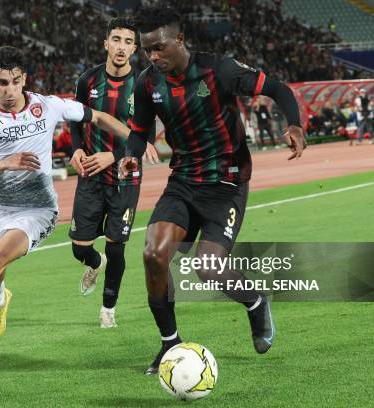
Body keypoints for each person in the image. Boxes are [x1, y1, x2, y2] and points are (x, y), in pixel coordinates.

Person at [118, 5, 306, 374]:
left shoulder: (219, 69)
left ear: (180, 40)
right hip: (184, 180)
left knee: (207, 266)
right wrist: (131, 156)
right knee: (154, 255)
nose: (153, 57)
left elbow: (277, 88)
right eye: (147, 50)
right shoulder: (147, 83)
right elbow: (139, 130)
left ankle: (254, 301)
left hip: (227, 182)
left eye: (159, 47)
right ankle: (170, 346)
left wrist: (295, 125)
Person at [0, 45, 133, 374]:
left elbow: (99, 117)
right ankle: (0, 299)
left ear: (25, 79)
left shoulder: (47, 106)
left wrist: (136, 139)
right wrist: (3, 164)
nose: (10, 90)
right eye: (2, 82)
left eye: (16, 81)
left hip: (38, 209)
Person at [69, 17, 158, 328]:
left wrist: (114, 155)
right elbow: (75, 120)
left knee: (116, 245)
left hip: (125, 178)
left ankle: (108, 308)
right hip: (91, 175)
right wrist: (76, 149)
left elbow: (146, 136)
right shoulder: (87, 81)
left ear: (135, 48)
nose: (122, 47)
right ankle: (95, 263)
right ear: (106, 43)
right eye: (116, 39)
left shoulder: (147, 85)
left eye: (128, 42)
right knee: (79, 247)